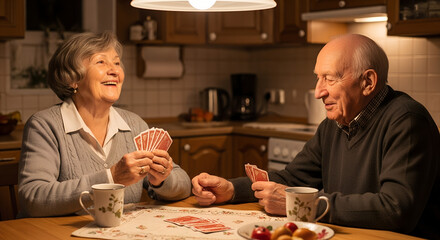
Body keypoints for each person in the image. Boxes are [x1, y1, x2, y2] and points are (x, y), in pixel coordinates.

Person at [192, 34, 440, 239]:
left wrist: (304, 205)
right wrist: (232, 189)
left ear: (368, 82)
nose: (318, 92)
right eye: (318, 78)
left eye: (329, 78)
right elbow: (292, 178)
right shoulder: (333, 124)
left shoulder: (407, 120)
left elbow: (396, 210)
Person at [18, 32, 191, 217]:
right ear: (71, 78)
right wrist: (111, 178)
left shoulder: (134, 124)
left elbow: (184, 184)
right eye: (101, 62)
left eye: (116, 63)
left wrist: (162, 180)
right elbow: (32, 198)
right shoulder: (45, 125)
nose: (115, 71)